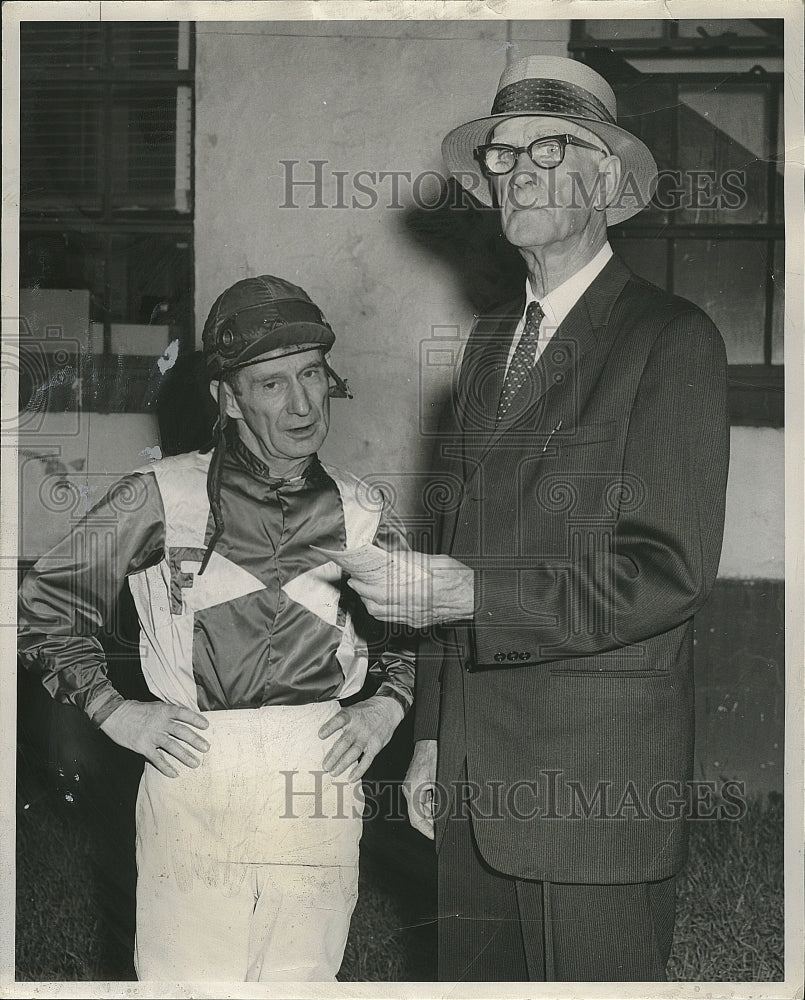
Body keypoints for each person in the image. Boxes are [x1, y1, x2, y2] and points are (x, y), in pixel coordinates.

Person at [346, 55, 730, 982]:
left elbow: (665, 570)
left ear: (604, 179)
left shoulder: (668, 339)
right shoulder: (488, 344)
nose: (512, 172)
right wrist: (434, 736)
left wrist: (478, 594)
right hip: (476, 776)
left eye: (544, 150)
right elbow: (456, 548)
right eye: (499, 156)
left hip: (594, 782)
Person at [17, 275, 415, 982]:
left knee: (302, 978)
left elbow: (423, 629)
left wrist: (386, 706)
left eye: (311, 376)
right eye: (270, 385)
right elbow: (45, 603)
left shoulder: (362, 507)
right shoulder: (158, 494)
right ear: (227, 397)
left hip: (319, 767)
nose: (300, 404)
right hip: (196, 764)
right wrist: (114, 710)